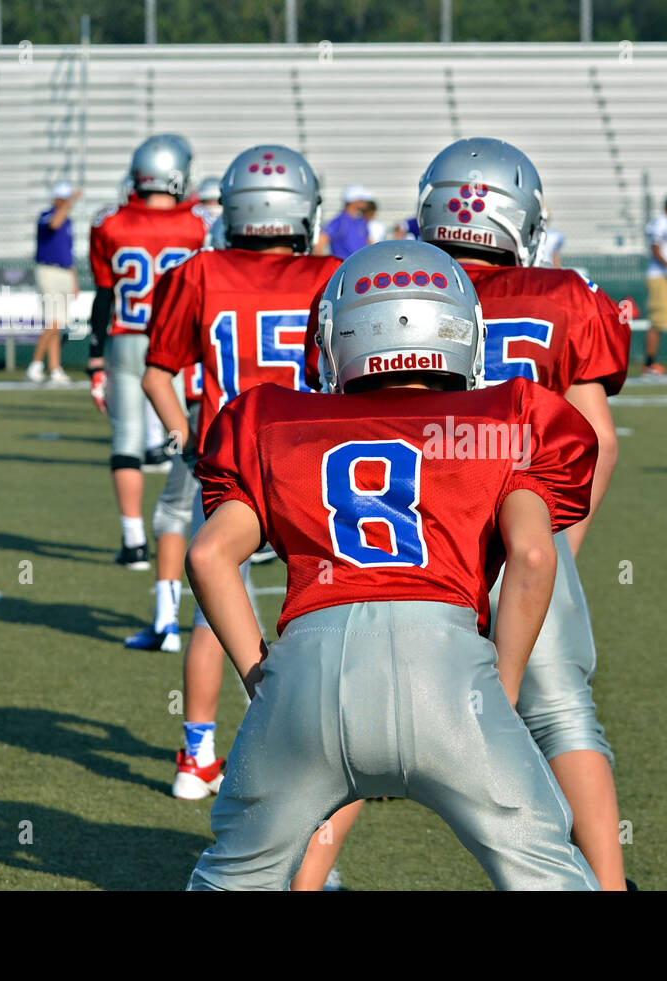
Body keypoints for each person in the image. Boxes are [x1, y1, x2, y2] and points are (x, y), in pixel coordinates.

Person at [186, 239, 601, 891]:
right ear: (462, 331)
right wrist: (504, 684)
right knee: (545, 870)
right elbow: (531, 552)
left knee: (235, 877)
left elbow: (209, 554)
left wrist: (261, 679)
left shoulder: (272, 421)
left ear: (338, 335)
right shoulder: (509, 418)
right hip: (449, 675)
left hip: (307, 674)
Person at [300, 138, 631, 890]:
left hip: (405, 531)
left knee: (355, 723)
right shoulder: (563, 296)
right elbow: (600, 442)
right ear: (520, 217)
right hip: (521, 522)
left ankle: (305, 878)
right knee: (562, 715)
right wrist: (552, 547)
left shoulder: (377, 284)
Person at [140, 145, 342, 814]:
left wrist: (189, 442)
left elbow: (157, 375)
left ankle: (196, 756)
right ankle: (331, 746)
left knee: (213, 608)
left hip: (233, 463)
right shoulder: (333, 274)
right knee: (330, 603)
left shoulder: (199, 272)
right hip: (317, 462)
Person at [87, 134, 214, 571]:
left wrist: (94, 358)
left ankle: (134, 540)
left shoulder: (109, 222)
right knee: (185, 438)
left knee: (126, 438)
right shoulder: (199, 223)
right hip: (178, 343)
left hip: (125, 338)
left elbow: (104, 295)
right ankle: (189, 528)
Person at [27, 181, 83, 384]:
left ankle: (55, 368)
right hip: (48, 271)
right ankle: (35, 364)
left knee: (58, 324)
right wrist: (69, 202)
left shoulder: (69, 222)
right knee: (53, 322)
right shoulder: (47, 216)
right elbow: (54, 224)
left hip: (65, 273)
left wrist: (74, 281)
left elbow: (69, 253)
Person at [643, 194, 667, 376]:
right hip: (659, 275)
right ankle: (649, 363)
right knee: (658, 320)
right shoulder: (661, 223)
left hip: (666, 276)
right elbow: (656, 249)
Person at [316, 184, 371, 258]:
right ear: (354, 200)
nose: (365, 202)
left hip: (360, 264)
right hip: (344, 264)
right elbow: (320, 244)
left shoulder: (361, 222)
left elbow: (368, 243)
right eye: (362, 199)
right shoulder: (339, 222)